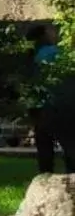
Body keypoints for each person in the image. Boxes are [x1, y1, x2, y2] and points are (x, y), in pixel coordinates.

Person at [26, 24, 72, 174]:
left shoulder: (31, 54)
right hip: (59, 104)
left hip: (38, 105)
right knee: (69, 144)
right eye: (52, 31)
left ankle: (44, 179)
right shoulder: (54, 52)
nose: (55, 34)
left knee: (44, 148)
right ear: (45, 34)